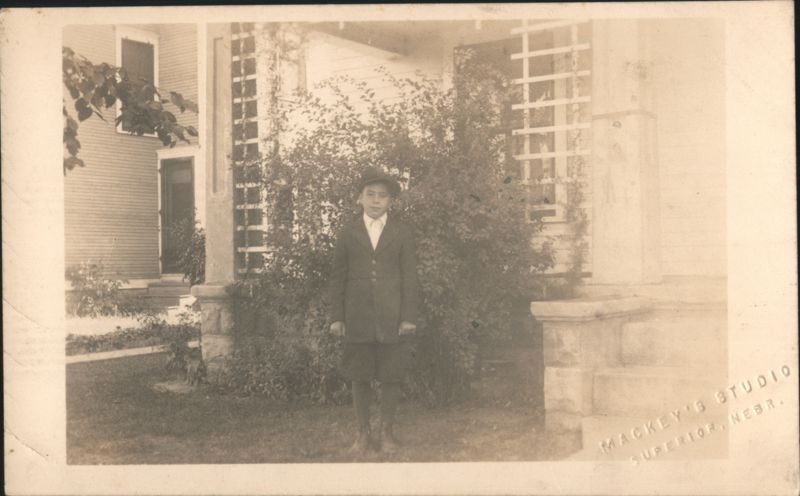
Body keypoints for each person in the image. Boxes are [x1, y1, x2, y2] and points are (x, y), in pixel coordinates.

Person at [329, 167, 419, 454]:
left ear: (391, 201)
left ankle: (387, 433)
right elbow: (337, 277)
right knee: (360, 374)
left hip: (393, 316)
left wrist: (408, 316)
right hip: (357, 316)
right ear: (359, 198)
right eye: (371, 195)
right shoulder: (347, 233)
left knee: (391, 374)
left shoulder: (402, 233)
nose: (376, 200)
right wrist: (337, 317)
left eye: (383, 196)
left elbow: (410, 277)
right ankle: (363, 433)